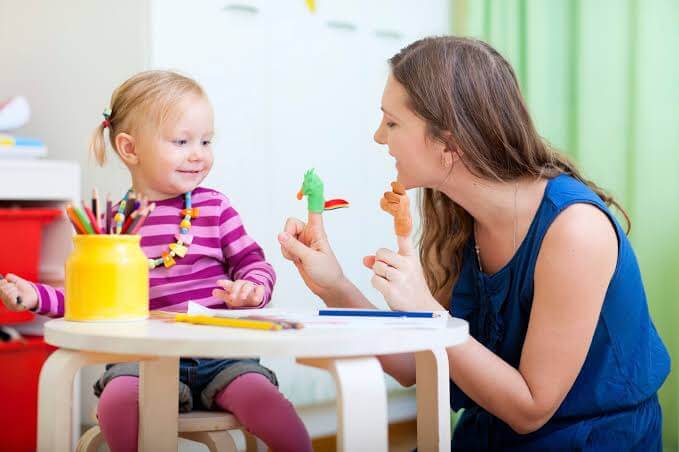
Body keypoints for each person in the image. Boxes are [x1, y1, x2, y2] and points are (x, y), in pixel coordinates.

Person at [277, 37, 670, 450]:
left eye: (392, 123)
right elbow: (417, 365)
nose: (379, 137)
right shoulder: (458, 216)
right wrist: (333, 284)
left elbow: (530, 408)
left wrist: (427, 310)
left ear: (448, 143)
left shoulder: (575, 231)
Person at [0, 70, 311, 452]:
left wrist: (254, 288)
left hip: (222, 356)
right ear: (130, 149)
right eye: (181, 141)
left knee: (270, 407)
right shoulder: (111, 224)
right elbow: (90, 302)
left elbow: (253, 262)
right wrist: (36, 296)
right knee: (117, 403)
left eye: (206, 141)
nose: (198, 153)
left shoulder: (214, 207)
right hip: (140, 359)